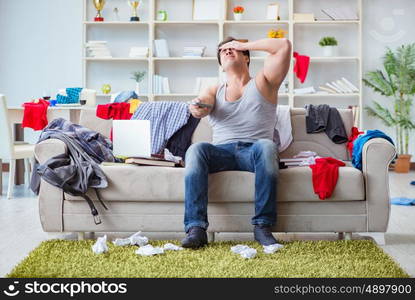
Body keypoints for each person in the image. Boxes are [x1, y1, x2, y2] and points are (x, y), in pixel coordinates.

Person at [181, 36, 291, 249]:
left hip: (255, 151)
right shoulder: (214, 89)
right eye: (223, 51)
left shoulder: (264, 82)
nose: (227, 51)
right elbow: (203, 104)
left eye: (232, 49)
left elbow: (283, 45)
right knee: (196, 149)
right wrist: (198, 107)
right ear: (221, 65)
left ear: (247, 57)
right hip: (221, 152)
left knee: (267, 146)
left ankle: (262, 226)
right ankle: (196, 229)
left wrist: (242, 44)